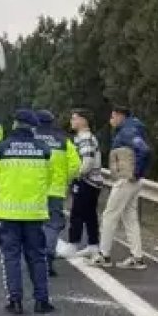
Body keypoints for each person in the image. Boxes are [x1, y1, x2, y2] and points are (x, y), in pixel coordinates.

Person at [0, 109, 55, 314]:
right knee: (37, 257)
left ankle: (15, 301)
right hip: (35, 214)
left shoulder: (0, 148)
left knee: (11, 257)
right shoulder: (44, 149)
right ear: (33, 127)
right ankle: (42, 301)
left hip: (8, 214)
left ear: (15, 124)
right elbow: (49, 180)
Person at [90, 106, 150, 270]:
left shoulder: (128, 131)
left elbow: (143, 150)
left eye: (113, 116)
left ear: (118, 116)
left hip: (126, 179)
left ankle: (104, 255)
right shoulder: (134, 127)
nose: (111, 120)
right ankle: (137, 257)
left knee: (110, 215)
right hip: (133, 181)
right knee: (130, 217)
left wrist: (134, 173)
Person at [33, 110, 80, 276]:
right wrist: (65, 179)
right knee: (52, 225)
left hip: (34, 190)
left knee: (35, 225)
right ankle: (48, 257)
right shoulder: (63, 141)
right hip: (56, 191)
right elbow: (75, 166)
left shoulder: (30, 140)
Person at [67, 109, 103, 255]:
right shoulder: (84, 137)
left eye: (74, 118)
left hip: (86, 181)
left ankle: (73, 244)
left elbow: (87, 161)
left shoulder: (85, 138)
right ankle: (93, 244)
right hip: (93, 182)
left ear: (83, 120)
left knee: (77, 213)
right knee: (89, 214)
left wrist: (77, 175)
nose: (72, 121)